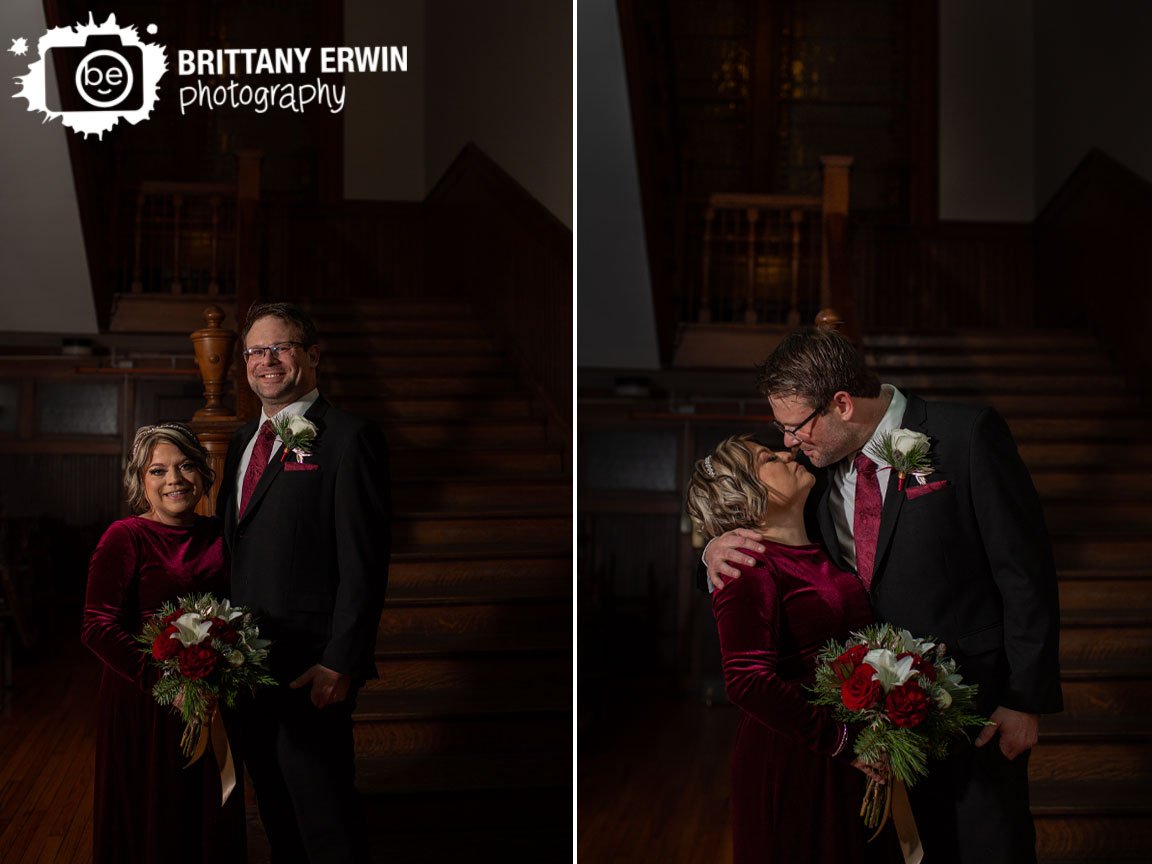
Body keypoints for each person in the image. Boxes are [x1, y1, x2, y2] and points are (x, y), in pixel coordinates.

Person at [703, 327, 1063, 864]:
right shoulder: (814, 472)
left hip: (978, 713)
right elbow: (768, 534)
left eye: (794, 427)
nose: (787, 444)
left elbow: (1026, 573)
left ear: (842, 404)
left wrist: (1024, 698)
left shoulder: (964, 436)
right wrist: (713, 548)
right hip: (873, 730)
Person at [216, 301, 391, 863]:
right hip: (244, 665)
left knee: (325, 815)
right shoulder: (244, 440)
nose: (266, 361)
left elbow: (365, 561)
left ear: (312, 356)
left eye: (280, 347)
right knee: (274, 811)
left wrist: (343, 660)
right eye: (255, 351)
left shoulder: (348, 437)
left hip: (310, 669)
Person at [687, 432, 900, 864]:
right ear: (746, 491)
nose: (788, 452)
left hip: (847, 750)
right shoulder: (747, 565)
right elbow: (746, 682)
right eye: (768, 457)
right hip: (795, 755)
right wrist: (842, 740)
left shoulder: (821, 549)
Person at [81, 423, 246, 864]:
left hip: (211, 698)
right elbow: (96, 626)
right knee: (152, 814)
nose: (174, 479)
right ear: (141, 482)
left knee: (205, 811)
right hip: (143, 700)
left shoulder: (220, 536)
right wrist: (167, 682)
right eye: (158, 470)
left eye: (185, 465)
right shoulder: (124, 536)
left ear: (203, 475)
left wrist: (221, 673)